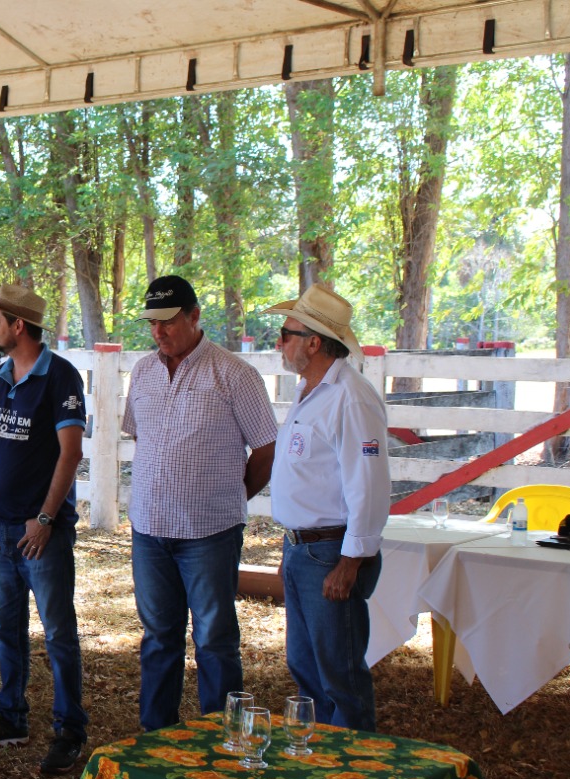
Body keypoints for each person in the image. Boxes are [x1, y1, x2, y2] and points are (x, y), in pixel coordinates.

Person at [122, 275, 278, 731]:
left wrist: (232, 494)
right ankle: (158, 737)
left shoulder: (234, 374)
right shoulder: (144, 372)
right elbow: (141, 435)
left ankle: (223, 737)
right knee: (158, 638)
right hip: (150, 529)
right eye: (152, 323)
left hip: (209, 533)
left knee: (214, 639)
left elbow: (266, 447)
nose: (158, 333)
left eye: (168, 322)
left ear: (194, 316)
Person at [0, 283, 89, 776]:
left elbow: (71, 452)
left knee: (57, 631)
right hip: (1, 525)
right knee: (5, 627)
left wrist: (45, 519)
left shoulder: (60, 376)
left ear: (19, 326)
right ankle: (11, 715)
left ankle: (69, 731)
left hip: (42, 532)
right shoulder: (1, 374)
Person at [264, 285, 389, 731]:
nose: (280, 343)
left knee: (340, 676)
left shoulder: (350, 396)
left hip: (331, 550)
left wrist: (351, 561)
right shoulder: (312, 390)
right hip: (304, 549)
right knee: (306, 667)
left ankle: (356, 778)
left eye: (287, 333)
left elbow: (369, 483)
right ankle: (321, 767)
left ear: (314, 341)